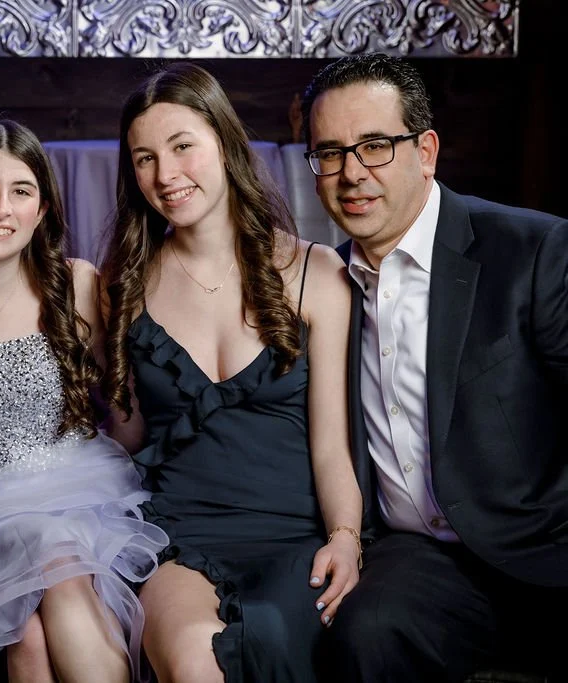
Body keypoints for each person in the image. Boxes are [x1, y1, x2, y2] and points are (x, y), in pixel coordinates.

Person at [300, 52, 568, 682]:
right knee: (363, 632)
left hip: (547, 546)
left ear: (425, 151)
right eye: (330, 153)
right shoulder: (328, 286)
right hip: (421, 559)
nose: (351, 173)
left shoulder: (533, 251)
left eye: (374, 146)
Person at [101, 62, 363, 683]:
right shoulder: (126, 286)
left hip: (293, 531)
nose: (165, 175)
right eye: (143, 158)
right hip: (176, 533)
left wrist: (347, 536)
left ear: (225, 141)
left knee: (272, 635)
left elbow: (331, 447)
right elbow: (127, 436)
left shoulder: (315, 274)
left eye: (182, 146)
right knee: (194, 653)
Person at [0, 118, 168, 683]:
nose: (1, 207)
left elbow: (125, 413)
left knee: (32, 628)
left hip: (79, 491)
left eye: (21, 191)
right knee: (33, 601)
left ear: (41, 210)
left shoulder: (75, 284)